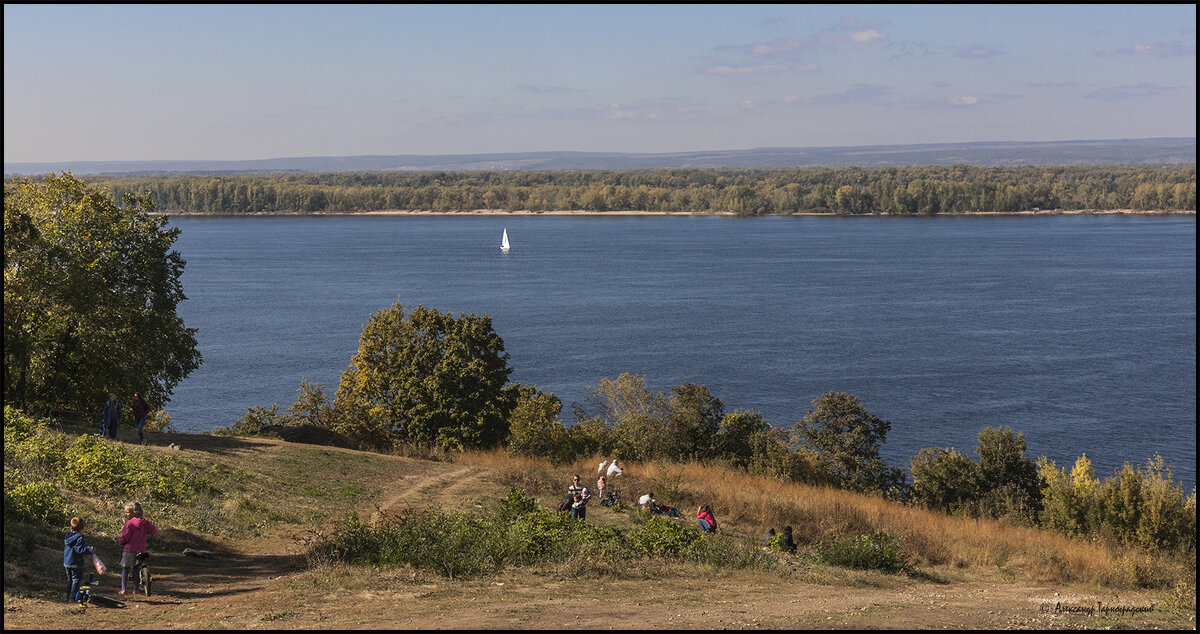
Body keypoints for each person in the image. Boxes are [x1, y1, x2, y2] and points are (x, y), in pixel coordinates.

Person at [118, 502, 157, 595]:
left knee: (125, 569)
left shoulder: (129, 524)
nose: (125, 514)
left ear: (134, 513)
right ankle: (136, 589)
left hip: (129, 550)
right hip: (141, 550)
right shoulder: (145, 523)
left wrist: (121, 541)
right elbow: (154, 531)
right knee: (136, 570)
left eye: (127, 512)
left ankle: (123, 589)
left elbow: (125, 536)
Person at [64, 517, 95, 602]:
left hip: (67, 562)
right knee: (76, 579)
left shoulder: (68, 536)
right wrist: (89, 549)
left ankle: (67, 595)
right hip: (76, 562)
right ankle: (72, 597)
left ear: (71, 527)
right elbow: (79, 550)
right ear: (82, 528)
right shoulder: (79, 538)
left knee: (69, 579)